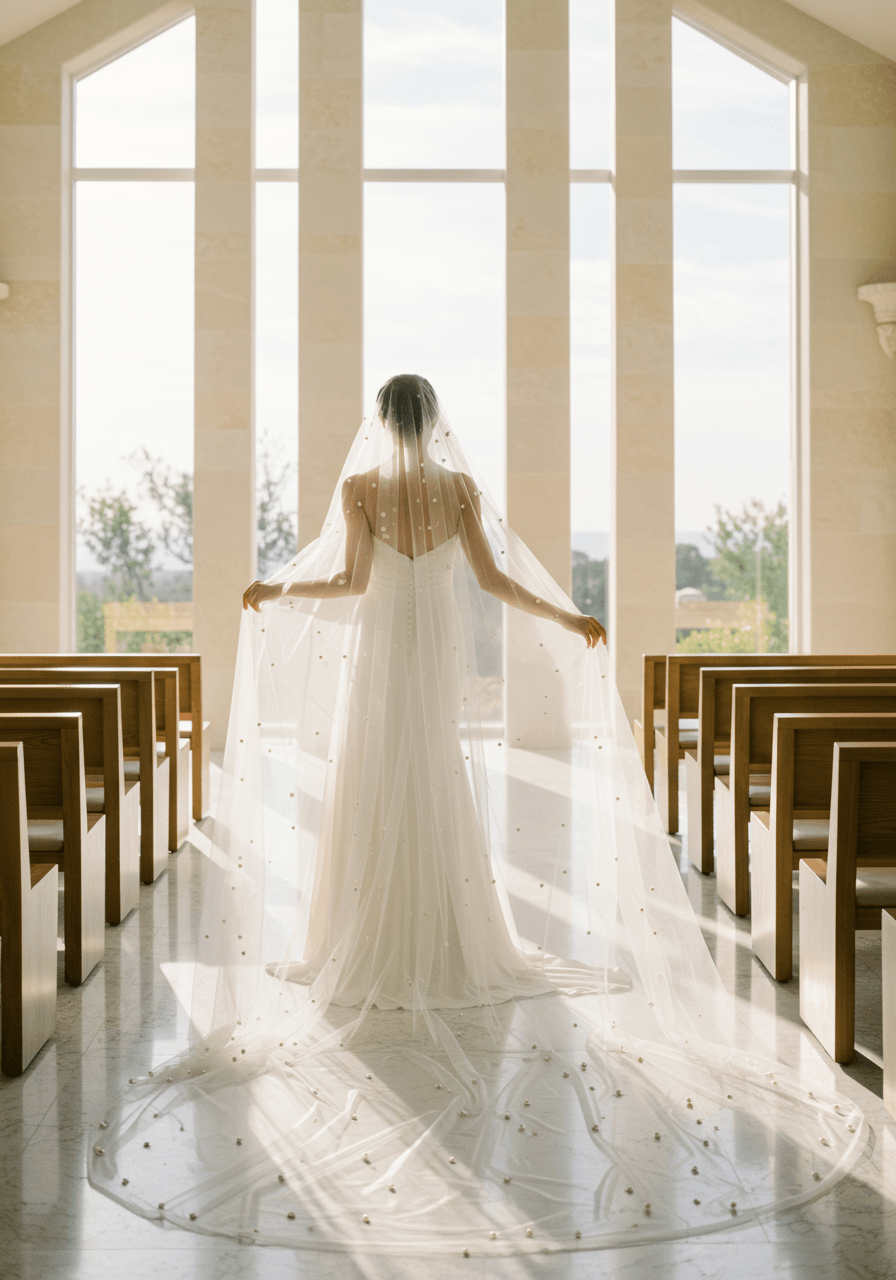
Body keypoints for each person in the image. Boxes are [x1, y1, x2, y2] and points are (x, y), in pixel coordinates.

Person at [88, 374, 864, 1255]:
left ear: (381, 422)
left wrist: (276, 588)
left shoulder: (361, 487)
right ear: (434, 422)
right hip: (432, 652)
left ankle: (360, 931)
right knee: (432, 773)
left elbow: (346, 578)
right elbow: (496, 579)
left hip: (383, 650)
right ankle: (446, 929)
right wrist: (569, 616)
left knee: (375, 776)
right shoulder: (457, 488)